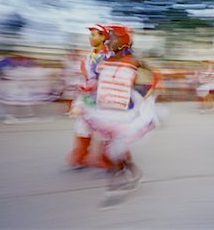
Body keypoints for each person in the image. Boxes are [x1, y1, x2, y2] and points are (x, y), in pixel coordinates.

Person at [79, 24, 160, 191]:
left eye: (113, 37)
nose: (109, 40)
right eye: (109, 37)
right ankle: (130, 173)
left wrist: (144, 93)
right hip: (104, 111)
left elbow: (153, 77)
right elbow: (97, 82)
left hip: (124, 114)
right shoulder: (105, 62)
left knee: (116, 148)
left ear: (124, 41)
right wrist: (89, 90)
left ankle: (116, 183)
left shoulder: (134, 62)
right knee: (114, 148)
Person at [66, 24, 113, 170]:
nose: (90, 38)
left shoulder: (112, 57)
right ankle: (80, 159)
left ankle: (110, 161)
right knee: (82, 128)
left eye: (94, 35)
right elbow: (84, 80)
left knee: (107, 132)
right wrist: (77, 103)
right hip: (88, 99)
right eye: (90, 35)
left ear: (103, 37)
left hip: (106, 100)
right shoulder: (86, 59)